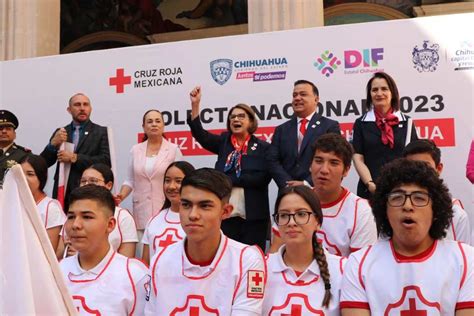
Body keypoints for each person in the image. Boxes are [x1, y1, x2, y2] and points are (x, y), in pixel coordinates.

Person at [340, 159, 474, 315]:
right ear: (384, 209)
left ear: (436, 209)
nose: (408, 206)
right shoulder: (359, 264)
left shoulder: (465, 260)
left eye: (419, 198)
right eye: (397, 197)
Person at [145, 168, 266, 315]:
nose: (193, 215)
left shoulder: (247, 260)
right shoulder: (160, 259)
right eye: (186, 205)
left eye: (204, 206)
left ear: (226, 211)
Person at [188, 86, 271, 250]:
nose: (236, 120)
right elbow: (200, 134)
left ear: (251, 121)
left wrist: (227, 179)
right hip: (226, 216)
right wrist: (195, 105)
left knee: (254, 258)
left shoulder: (263, 147)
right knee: (226, 257)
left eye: (241, 116)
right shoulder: (223, 142)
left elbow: (263, 178)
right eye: (232, 117)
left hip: (254, 216)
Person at [270, 133, 377, 257]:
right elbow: (275, 255)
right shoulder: (293, 201)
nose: (324, 170)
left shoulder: (361, 211)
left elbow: (361, 268)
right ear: (310, 165)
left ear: (346, 170)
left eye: (334, 163)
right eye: (319, 161)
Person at [60, 185, 149, 315]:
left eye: (87, 217)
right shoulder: (57, 270)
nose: (75, 225)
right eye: (71, 217)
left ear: (110, 224)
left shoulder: (135, 275)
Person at [263, 185, 345, 315]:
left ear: (317, 222)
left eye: (301, 214)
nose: (291, 222)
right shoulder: (261, 268)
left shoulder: (343, 270)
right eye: (284, 215)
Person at [352, 72, 418, 199]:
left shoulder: (407, 122)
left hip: (401, 190)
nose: (379, 93)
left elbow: (413, 158)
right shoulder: (361, 123)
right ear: (370, 95)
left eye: (384, 89)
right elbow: (358, 158)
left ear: (392, 93)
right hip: (370, 191)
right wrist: (370, 184)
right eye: (374, 90)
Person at [118, 109, 183, 235]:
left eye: (158, 121)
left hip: (166, 208)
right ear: (143, 127)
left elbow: (182, 179)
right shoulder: (135, 150)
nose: (154, 124)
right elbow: (130, 180)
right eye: (150, 121)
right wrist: (120, 196)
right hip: (141, 211)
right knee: (143, 252)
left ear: (163, 126)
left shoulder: (173, 150)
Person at [40, 93, 110, 208]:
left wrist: (75, 158)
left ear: (90, 109)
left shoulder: (101, 132)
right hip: (63, 191)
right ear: (69, 109)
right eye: (77, 105)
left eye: (85, 105)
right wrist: (52, 145)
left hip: (90, 191)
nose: (82, 108)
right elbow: (43, 163)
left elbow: (106, 161)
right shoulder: (61, 132)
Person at [267, 80, 341, 189]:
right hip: (287, 192)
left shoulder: (329, 126)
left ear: (316, 99)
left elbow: (334, 159)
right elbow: (272, 160)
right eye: (294, 95)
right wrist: (287, 184)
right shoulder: (281, 129)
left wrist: (307, 183)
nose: (297, 98)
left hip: (317, 191)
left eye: (303, 94)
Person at [57, 163, 139, 258]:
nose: (87, 185)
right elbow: (58, 254)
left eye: (93, 181)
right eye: (83, 181)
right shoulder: (73, 213)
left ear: (108, 185)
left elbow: (127, 258)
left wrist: (84, 255)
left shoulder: (122, 216)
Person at [403, 139, 471, 244]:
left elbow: (466, 257)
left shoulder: (456, 214)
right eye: (411, 167)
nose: (418, 172)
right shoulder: (394, 210)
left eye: (425, 166)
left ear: (438, 169)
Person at [142, 161, 195, 264]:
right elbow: (146, 264)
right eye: (167, 181)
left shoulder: (198, 219)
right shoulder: (154, 221)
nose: (171, 186)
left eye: (178, 181)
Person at [20, 154, 66, 251]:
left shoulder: (50, 207)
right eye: (20, 174)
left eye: (30, 174)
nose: (24, 178)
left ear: (41, 177)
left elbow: (49, 250)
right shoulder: (13, 203)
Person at [0, 110, 30, 184]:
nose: (4, 131)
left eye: (8, 129)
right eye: (0, 128)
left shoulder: (24, 155)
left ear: (14, 134)